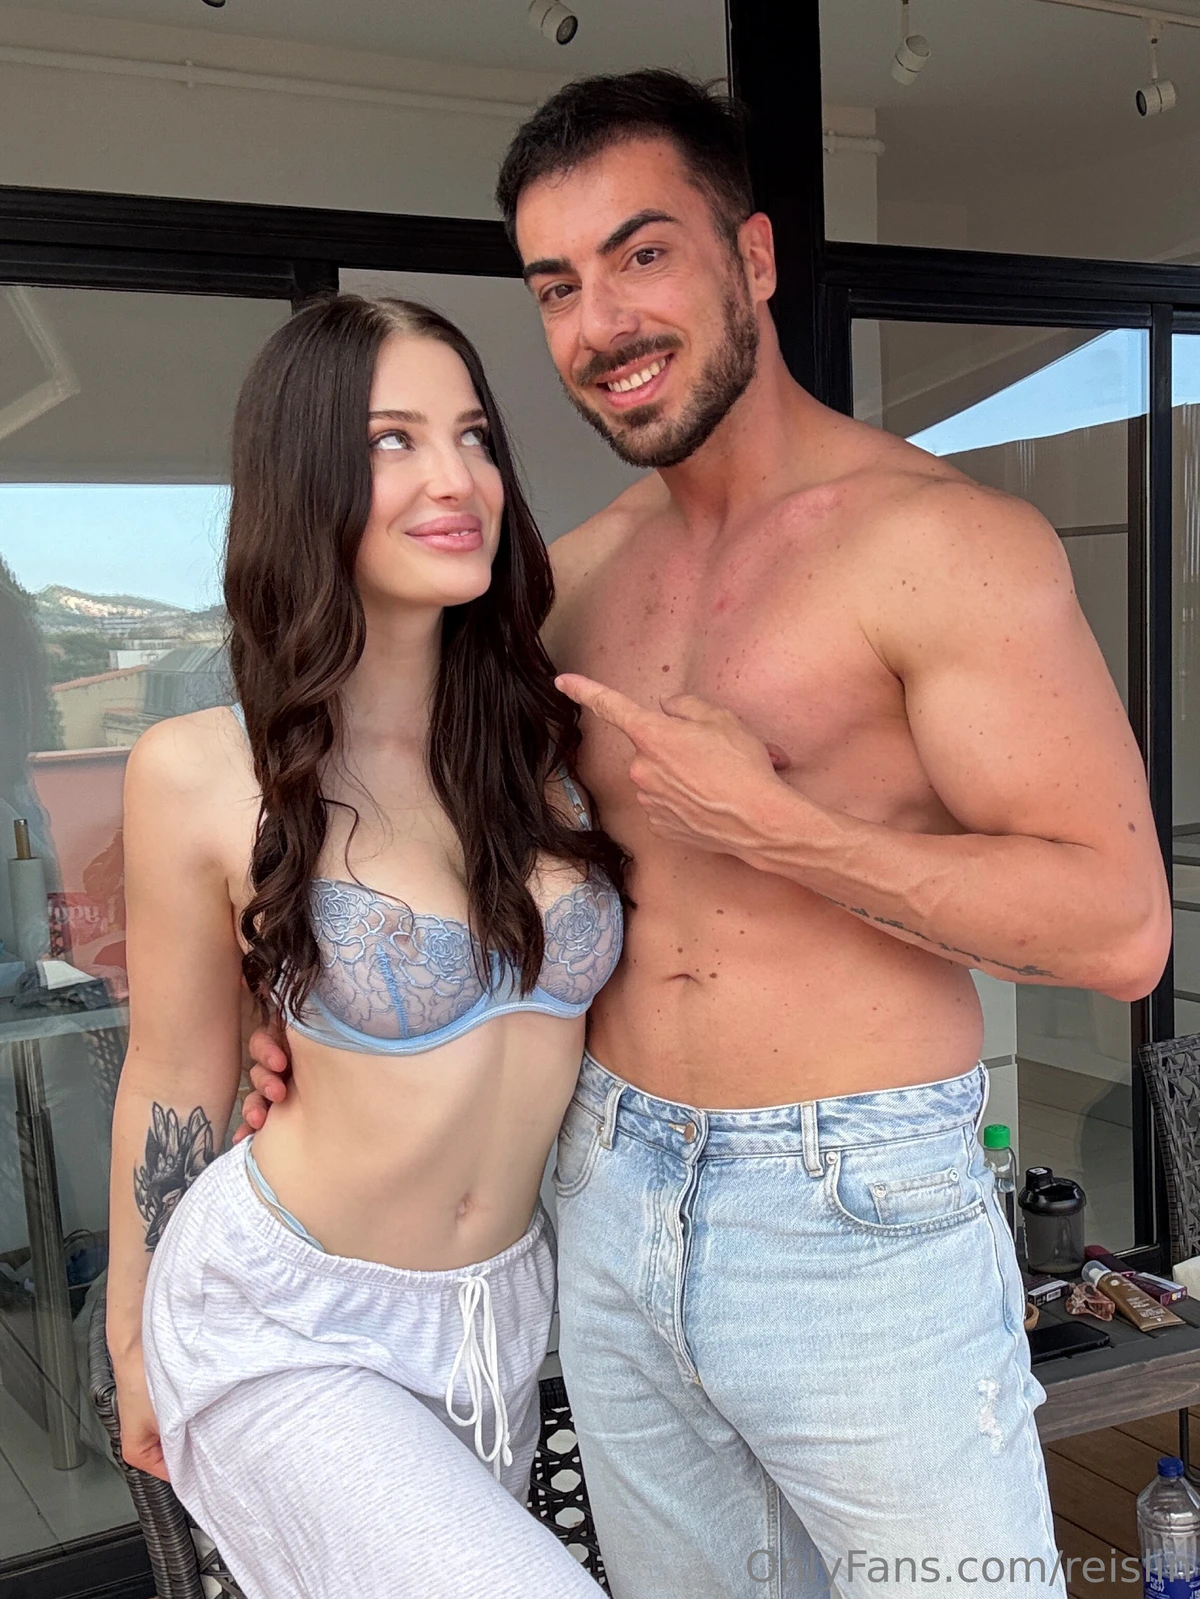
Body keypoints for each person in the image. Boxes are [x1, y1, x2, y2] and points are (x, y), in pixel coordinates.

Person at [243, 73, 1173, 1599]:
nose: (600, 321)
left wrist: (787, 829)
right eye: (558, 284)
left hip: (858, 1214)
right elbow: (410, 826)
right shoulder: (564, 588)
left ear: (753, 256)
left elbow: (1123, 929)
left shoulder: (944, 546)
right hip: (605, 1194)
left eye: (642, 254)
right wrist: (292, 1016)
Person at [105, 294, 627, 1599]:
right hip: (285, 1318)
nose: (455, 477)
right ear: (306, 477)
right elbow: (171, 1070)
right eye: (393, 439)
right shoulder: (199, 771)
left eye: (473, 435)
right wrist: (128, 1339)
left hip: (500, 1320)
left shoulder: (547, 745)